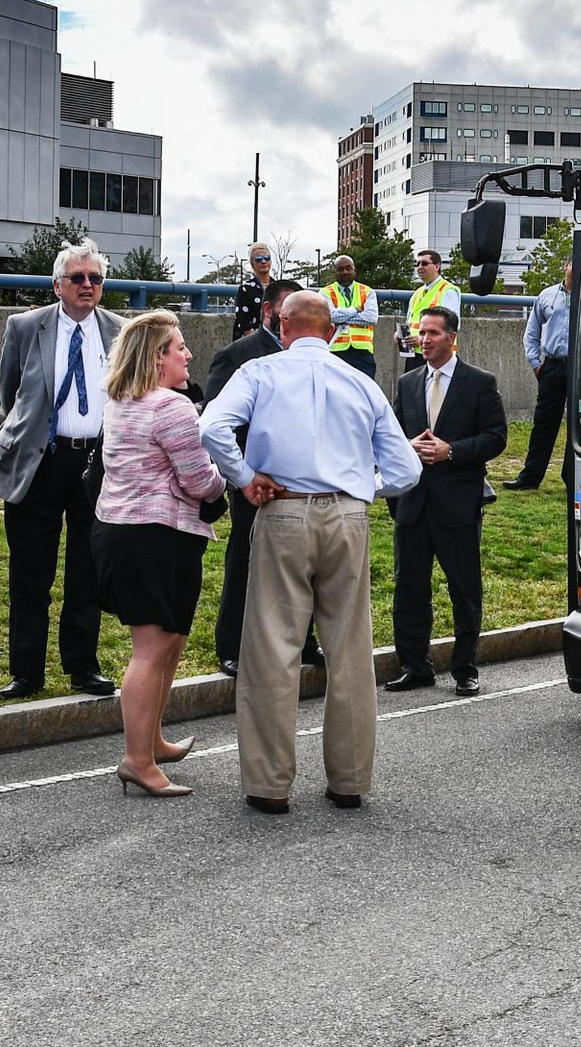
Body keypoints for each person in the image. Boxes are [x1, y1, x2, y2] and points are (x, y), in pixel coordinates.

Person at [199, 291, 421, 815]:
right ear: (333, 330)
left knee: (272, 648)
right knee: (349, 648)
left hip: (283, 509)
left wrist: (246, 477)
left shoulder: (259, 373)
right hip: (347, 514)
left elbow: (211, 427)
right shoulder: (361, 382)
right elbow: (407, 470)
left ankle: (270, 784)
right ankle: (348, 781)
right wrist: (361, 486)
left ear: (281, 322)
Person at [92, 311, 227, 798]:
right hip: (155, 538)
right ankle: (137, 760)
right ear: (156, 357)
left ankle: (150, 742)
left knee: (167, 643)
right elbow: (198, 478)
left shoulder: (120, 402)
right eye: (179, 347)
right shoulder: (171, 407)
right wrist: (223, 481)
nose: (187, 355)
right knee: (152, 651)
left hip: (123, 535)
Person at [0, 240, 124, 699]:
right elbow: (10, 393)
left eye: (95, 278)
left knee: (87, 569)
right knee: (31, 572)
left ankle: (82, 666)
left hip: (96, 465)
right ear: (58, 285)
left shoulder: (120, 330)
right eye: (78, 278)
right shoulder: (26, 327)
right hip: (41, 462)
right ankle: (26, 672)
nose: (87, 285)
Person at [205, 278, 322, 678]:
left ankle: (303, 640)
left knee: (304, 564)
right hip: (255, 482)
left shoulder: (315, 357)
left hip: (303, 484)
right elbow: (218, 423)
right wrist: (246, 475)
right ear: (270, 312)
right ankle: (233, 645)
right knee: (245, 560)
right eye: (291, 312)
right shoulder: (238, 356)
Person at [387, 307, 507, 696]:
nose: (424, 340)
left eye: (433, 333)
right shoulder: (406, 384)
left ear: (452, 338)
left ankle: (464, 667)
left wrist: (451, 451)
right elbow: (388, 436)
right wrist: (409, 446)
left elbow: (496, 437)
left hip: (457, 503)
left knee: (464, 588)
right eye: (421, 333)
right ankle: (414, 664)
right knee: (409, 587)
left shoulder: (479, 383)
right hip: (412, 503)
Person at [504, 256, 570, 490]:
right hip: (552, 365)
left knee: (579, 424)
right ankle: (530, 477)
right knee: (543, 423)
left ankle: (571, 478)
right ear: (565, 266)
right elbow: (531, 333)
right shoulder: (547, 295)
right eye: (573, 264)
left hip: (579, 367)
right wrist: (535, 363)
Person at [397, 249, 460, 371]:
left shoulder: (447, 291)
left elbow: (451, 326)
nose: (420, 267)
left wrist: (420, 339)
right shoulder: (417, 294)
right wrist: (401, 336)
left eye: (424, 263)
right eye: (418, 264)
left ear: (437, 266)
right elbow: (411, 323)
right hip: (414, 355)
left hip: (437, 356)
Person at [322, 254, 378, 381]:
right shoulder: (325, 292)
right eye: (340, 269)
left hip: (363, 353)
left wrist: (341, 317)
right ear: (335, 272)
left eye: (348, 268)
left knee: (365, 394)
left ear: (354, 270)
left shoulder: (367, 291)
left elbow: (370, 318)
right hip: (335, 351)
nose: (345, 272)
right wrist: (354, 310)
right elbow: (330, 316)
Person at [231, 242, 273, 341]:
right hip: (252, 340)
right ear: (252, 264)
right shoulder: (245, 289)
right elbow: (243, 319)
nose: (263, 262)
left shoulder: (277, 287)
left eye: (267, 258)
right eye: (258, 259)